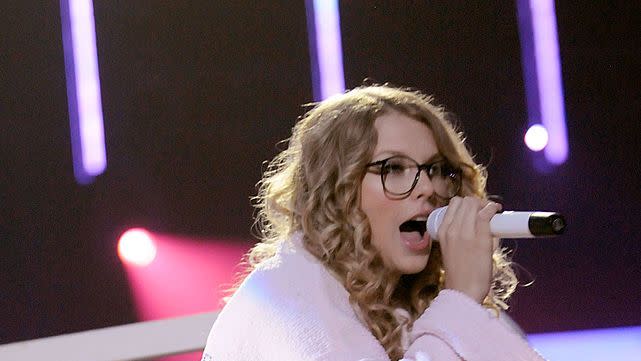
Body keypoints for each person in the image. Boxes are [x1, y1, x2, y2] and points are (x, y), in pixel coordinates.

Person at [201, 85, 545, 360]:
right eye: (393, 169)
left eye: (437, 170)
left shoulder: (397, 305)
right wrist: (459, 299)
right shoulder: (287, 303)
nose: (428, 188)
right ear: (337, 189)